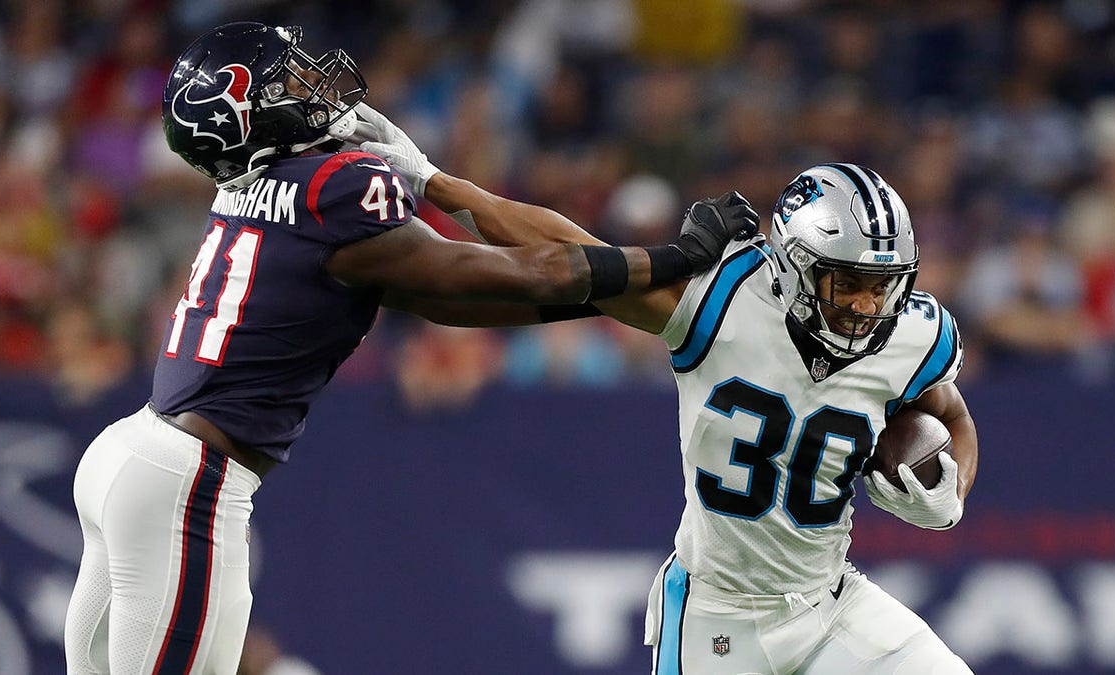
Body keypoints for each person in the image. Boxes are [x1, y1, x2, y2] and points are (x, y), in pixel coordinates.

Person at [62, 22, 759, 675]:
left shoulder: (267, 192)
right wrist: (673, 258)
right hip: (190, 480)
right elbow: (494, 272)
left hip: (136, 454)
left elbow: (454, 297)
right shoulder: (334, 189)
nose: (311, 86)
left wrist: (447, 192)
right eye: (286, 82)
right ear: (243, 115)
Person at [352, 108, 979, 673]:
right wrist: (431, 180)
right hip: (719, 618)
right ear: (794, 266)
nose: (869, 306)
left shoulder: (913, 334)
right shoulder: (722, 300)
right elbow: (565, 249)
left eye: (884, 285)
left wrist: (951, 487)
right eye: (848, 283)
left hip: (830, 602)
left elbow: (950, 412)